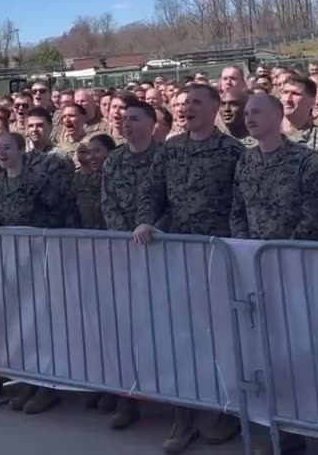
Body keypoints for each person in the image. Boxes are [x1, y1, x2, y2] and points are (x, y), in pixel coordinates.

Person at [133, 84, 244, 452]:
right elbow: (151, 192)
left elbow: (240, 204)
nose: (187, 108)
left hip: (218, 258)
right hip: (177, 257)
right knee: (180, 338)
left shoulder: (232, 151)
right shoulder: (169, 150)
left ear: (214, 108)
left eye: (197, 102)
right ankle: (185, 417)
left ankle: (223, 411)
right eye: (182, 103)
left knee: (222, 338)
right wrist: (146, 221)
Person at [230, 92, 318, 455]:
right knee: (267, 355)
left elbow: (315, 213)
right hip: (255, 269)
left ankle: (311, 430)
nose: (249, 117)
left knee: (306, 354)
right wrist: (246, 250)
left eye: (257, 112)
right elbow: (237, 209)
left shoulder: (306, 161)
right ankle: (278, 428)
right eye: (247, 112)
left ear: (277, 115)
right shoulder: (246, 162)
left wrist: (279, 254)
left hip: (296, 268)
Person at [0, 131, 62, 416]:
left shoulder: (38, 180)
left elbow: (59, 214)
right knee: (20, 322)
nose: (1, 152)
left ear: (21, 150)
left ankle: (46, 385)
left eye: (7, 147)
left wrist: (40, 239)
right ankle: (25, 380)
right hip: (11, 259)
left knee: (41, 323)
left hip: (39, 256)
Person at [101, 100, 158, 431]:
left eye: (134, 119)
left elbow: (169, 199)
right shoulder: (114, 161)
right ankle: (128, 398)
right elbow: (108, 204)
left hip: (161, 250)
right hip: (124, 254)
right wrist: (125, 237)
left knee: (166, 332)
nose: (126, 124)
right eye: (123, 119)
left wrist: (153, 231)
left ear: (152, 123)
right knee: (125, 331)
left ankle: (181, 411)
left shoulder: (165, 157)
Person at [25, 107, 78, 227]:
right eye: (31, 126)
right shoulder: (23, 157)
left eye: (40, 125)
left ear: (50, 128)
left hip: (53, 226)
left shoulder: (59, 157)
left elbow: (62, 198)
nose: (34, 130)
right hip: (29, 225)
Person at [75, 133, 115, 230]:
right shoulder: (82, 182)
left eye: (97, 151)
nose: (91, 156)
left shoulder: (121, 180)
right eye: (88, 152)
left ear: (111, 152)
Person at [281, 76, 318, 156]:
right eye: (285, 92)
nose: (287, 99)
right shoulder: (264, 131)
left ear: (312, 101)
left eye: (295, 94)